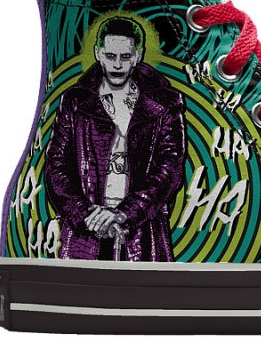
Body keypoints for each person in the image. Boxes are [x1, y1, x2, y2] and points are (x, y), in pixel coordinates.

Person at [45, 17, 185, 261]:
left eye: (125, 56)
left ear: (138, 55)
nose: (117, 65)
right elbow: (55, 167)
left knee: (146, 287)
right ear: (98, 53)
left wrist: (125, 213)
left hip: (143, 232)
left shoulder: (166, 103)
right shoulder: (75, 101)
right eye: (110, 56)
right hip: (85, 233)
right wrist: (85, 214)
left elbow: (170, 169)